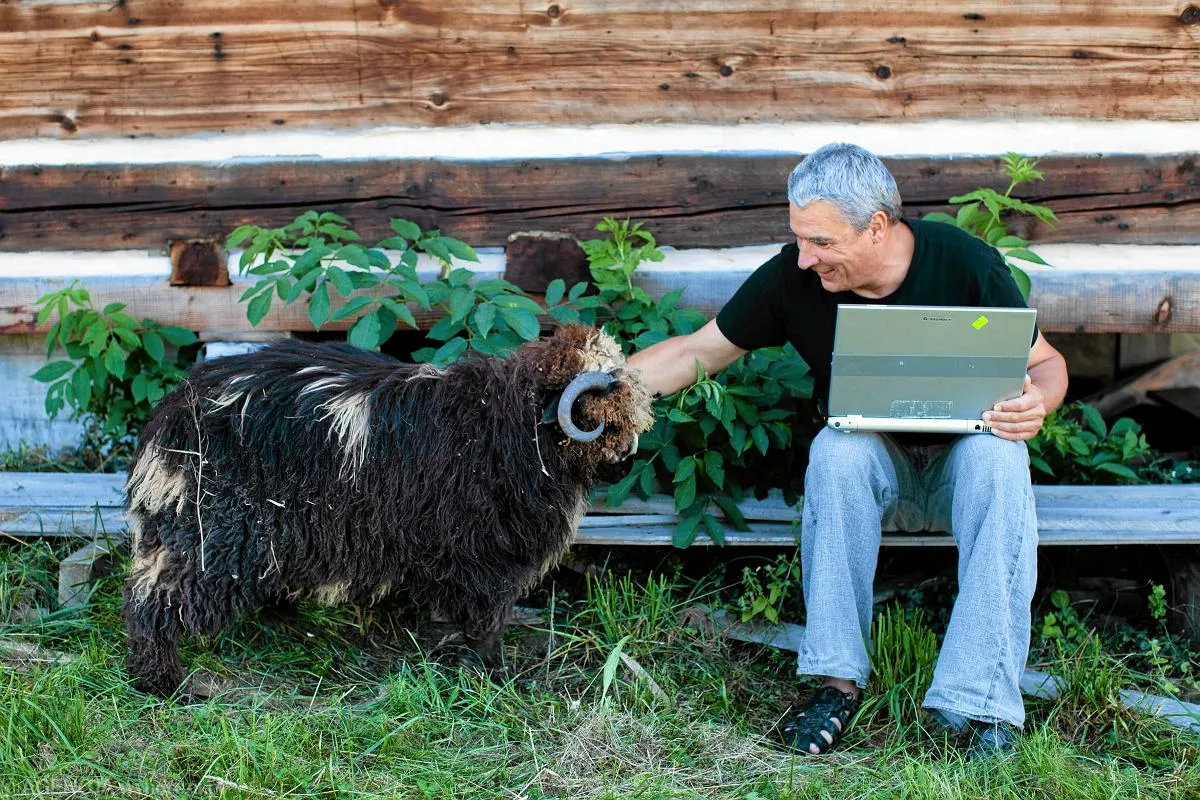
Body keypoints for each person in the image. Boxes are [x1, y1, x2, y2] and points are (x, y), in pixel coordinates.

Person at [628, 143, 1068, 757]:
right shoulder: (794, 275)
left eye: (823, 243)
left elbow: (1046, 364)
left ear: (878, 227)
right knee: (838, 449)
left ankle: (979, 706)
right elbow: (695, 352)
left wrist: (1037, 403)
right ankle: (834, 684)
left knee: (1001, 455)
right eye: (800, 239)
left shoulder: (965, 262)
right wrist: (600, 389)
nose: (806, 258)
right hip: (871, 475)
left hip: (960, 473)